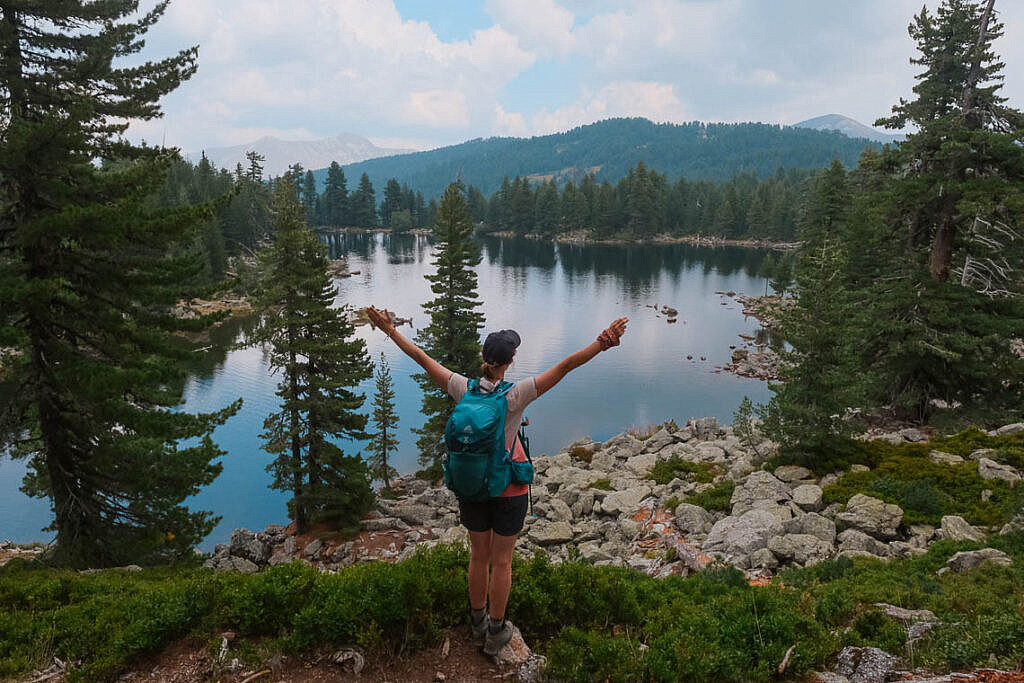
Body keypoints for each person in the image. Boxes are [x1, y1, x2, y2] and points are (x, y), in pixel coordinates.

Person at [365, 306, 628, 654]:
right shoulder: (516, 395)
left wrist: (390, 330)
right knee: (502, 561)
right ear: (510, 361)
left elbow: (421, 358)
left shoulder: (462, 388)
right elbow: (565, 366)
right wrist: (603, 342)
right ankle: (496, 632)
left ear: (483, 359)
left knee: (478, 556)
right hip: (508, 490)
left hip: (472, 488)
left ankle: (476, 623)